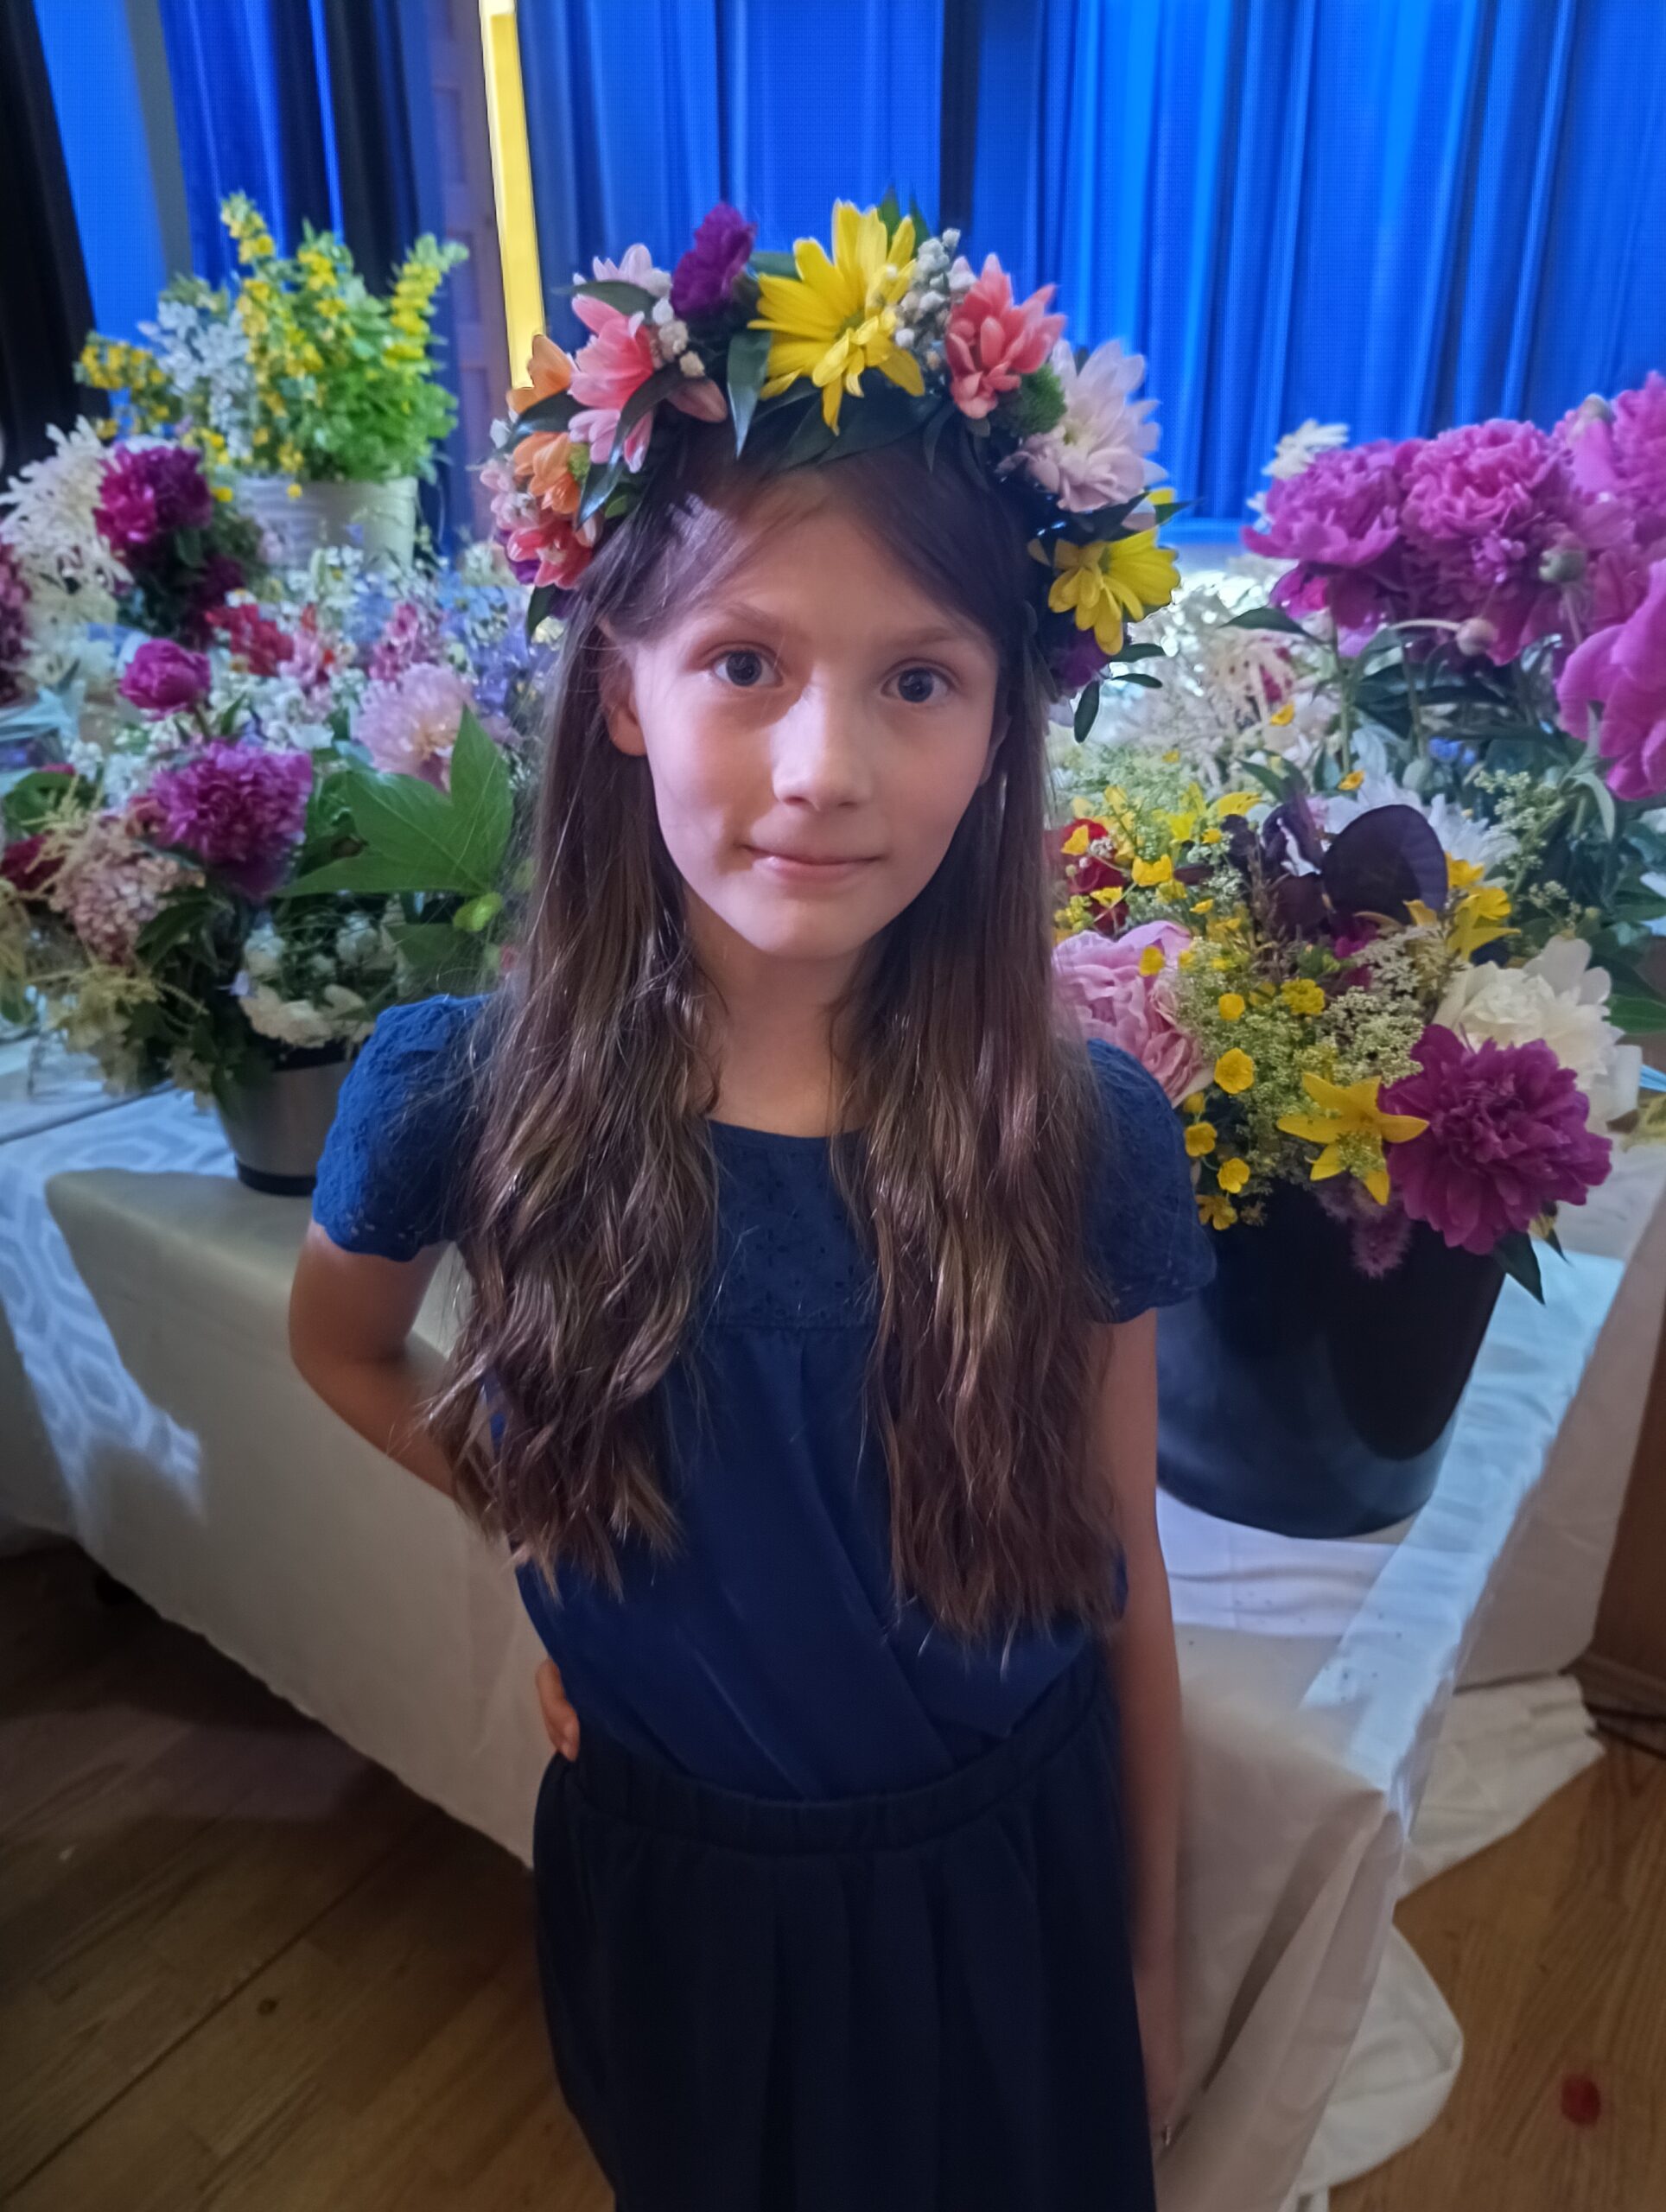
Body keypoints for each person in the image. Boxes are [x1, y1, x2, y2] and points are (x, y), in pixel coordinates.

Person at [289, 198, 1213, 2212]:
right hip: (686, 1899)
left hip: (1011, 1876)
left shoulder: (1077, 1132)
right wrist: (548, 1524)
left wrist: (1150, 1953)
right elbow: (340, 1345)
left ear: (1002, 717)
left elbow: (1120, 1566)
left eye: (916, 678)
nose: (822, 766)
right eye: (742, 659)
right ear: (620, 683)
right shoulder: (463, 1091)